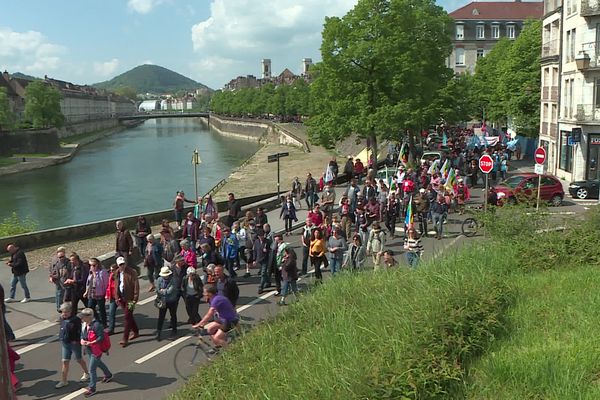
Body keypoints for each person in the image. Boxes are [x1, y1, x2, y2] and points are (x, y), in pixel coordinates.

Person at [193, 284, 239, 349]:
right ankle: (219, 345)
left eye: (205, 292)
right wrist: (202, 325)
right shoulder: (214, 298)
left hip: (229, 320)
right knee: (209, 329)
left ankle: (231, 352)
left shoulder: (216, 300)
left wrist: (199, 324)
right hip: (222, 319)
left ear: (210, 293)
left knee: (217, 338)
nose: (203, 294)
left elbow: (209, 314)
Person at [80, 308, 113, 397]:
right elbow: (82, 334)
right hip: (89, 348)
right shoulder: (84, 324)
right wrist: (82, 340)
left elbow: (100, 337)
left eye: (83, 317)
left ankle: (92, 388)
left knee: (91, 369)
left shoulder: (97, 325)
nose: (82, 319)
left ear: (89, 317)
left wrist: (92, 342)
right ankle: (108, 375)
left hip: (96, 349)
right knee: (98, 363)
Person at [55, 302, 89, 389]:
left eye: (66, 312)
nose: (64, 314)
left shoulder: (75, 320)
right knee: (65, 361)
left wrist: (77, 340)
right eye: (62, 312)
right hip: (65, 343)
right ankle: (64, 380)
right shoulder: (62, 318)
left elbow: (80, 331)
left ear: (70, 311)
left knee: (78, 359)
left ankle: (86, 373)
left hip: (74, 343)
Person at [112, 257, 139, 347]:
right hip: (122, 298)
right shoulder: (116, 273)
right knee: (129, 315)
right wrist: (116, 297)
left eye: (123, 264)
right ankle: (135, 331)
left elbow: (136, 286)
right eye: (120, 265)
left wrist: (135, 298)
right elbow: (116, 286)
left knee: (127, 317)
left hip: (130, 299)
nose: (122, 266)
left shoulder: (132, 272)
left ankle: (125, 338)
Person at [155, 266, 179, 341]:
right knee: (161, 317)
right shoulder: (159, 280)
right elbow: (157, 289)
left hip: (172, 301)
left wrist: (163, 291)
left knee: (173, 315)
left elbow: (170, 291)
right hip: (163, 301)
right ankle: (158, 332)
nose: (165, 276)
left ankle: (174, 330)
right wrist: (164, 291)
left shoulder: (173, 280)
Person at [84, 259, 108, 327]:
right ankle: (98, 320)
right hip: (92, 293)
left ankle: (104, 324)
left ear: (97, 265)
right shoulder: (90, 272)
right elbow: (88, 283)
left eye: (93, 265)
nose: (92, 267)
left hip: (100, 293)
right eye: (90, 265)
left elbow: (105, 283)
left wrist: (105, 293)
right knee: (90, 308)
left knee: (101, 309)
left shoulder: (102, 272)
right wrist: (86, 291)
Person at [49, 247, 69, 318]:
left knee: (60, 294)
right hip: (59, 280)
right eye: (60, 257)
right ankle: (60, 308)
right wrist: (51, 276)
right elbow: (52, 269)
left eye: (62, 256)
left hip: (63, 280)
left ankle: (61, 307)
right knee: (60, 294)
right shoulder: (56, 260)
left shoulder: (66, 261)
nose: (61, 258)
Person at [254, 230, 272, 295]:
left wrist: (267, 250)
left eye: (262, 236)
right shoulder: (256, 242)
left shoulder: (268, 241)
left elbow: (272, 250)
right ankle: (268, 282)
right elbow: (255, 251)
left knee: (263, 273)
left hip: (266, 259)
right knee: (264, 273)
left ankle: (261, 287)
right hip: (259, 259)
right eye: (260, 236)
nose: (261, 237)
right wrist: (254, 260)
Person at [104, 264, 118, 335]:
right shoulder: (111, 276)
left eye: (113, 270)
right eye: (111, 270)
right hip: (113, 297)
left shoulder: (120, 277)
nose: (111, 272)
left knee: (128, 314)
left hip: (121, 297)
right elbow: (109, 286)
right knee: (111, 313)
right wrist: (107, 295)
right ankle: (111, 329)